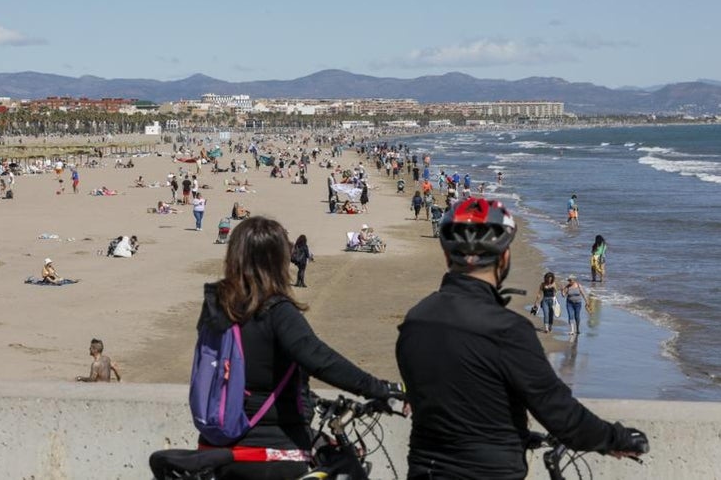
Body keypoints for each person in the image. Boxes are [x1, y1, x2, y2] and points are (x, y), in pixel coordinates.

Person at [396, 197, 649, 479]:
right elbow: (561, 416)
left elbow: (454, 398)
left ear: (447, 256)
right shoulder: (507, 331)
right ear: (504, 258)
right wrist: (616, 438)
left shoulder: (416, 319)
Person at [191, 217, 403, 479]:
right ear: (277, 260)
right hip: (271, 451)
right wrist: (381, 389)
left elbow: (245, 369)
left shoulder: (216, 306)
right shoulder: (277, 311)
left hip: (214, 444)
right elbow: (321, 360)